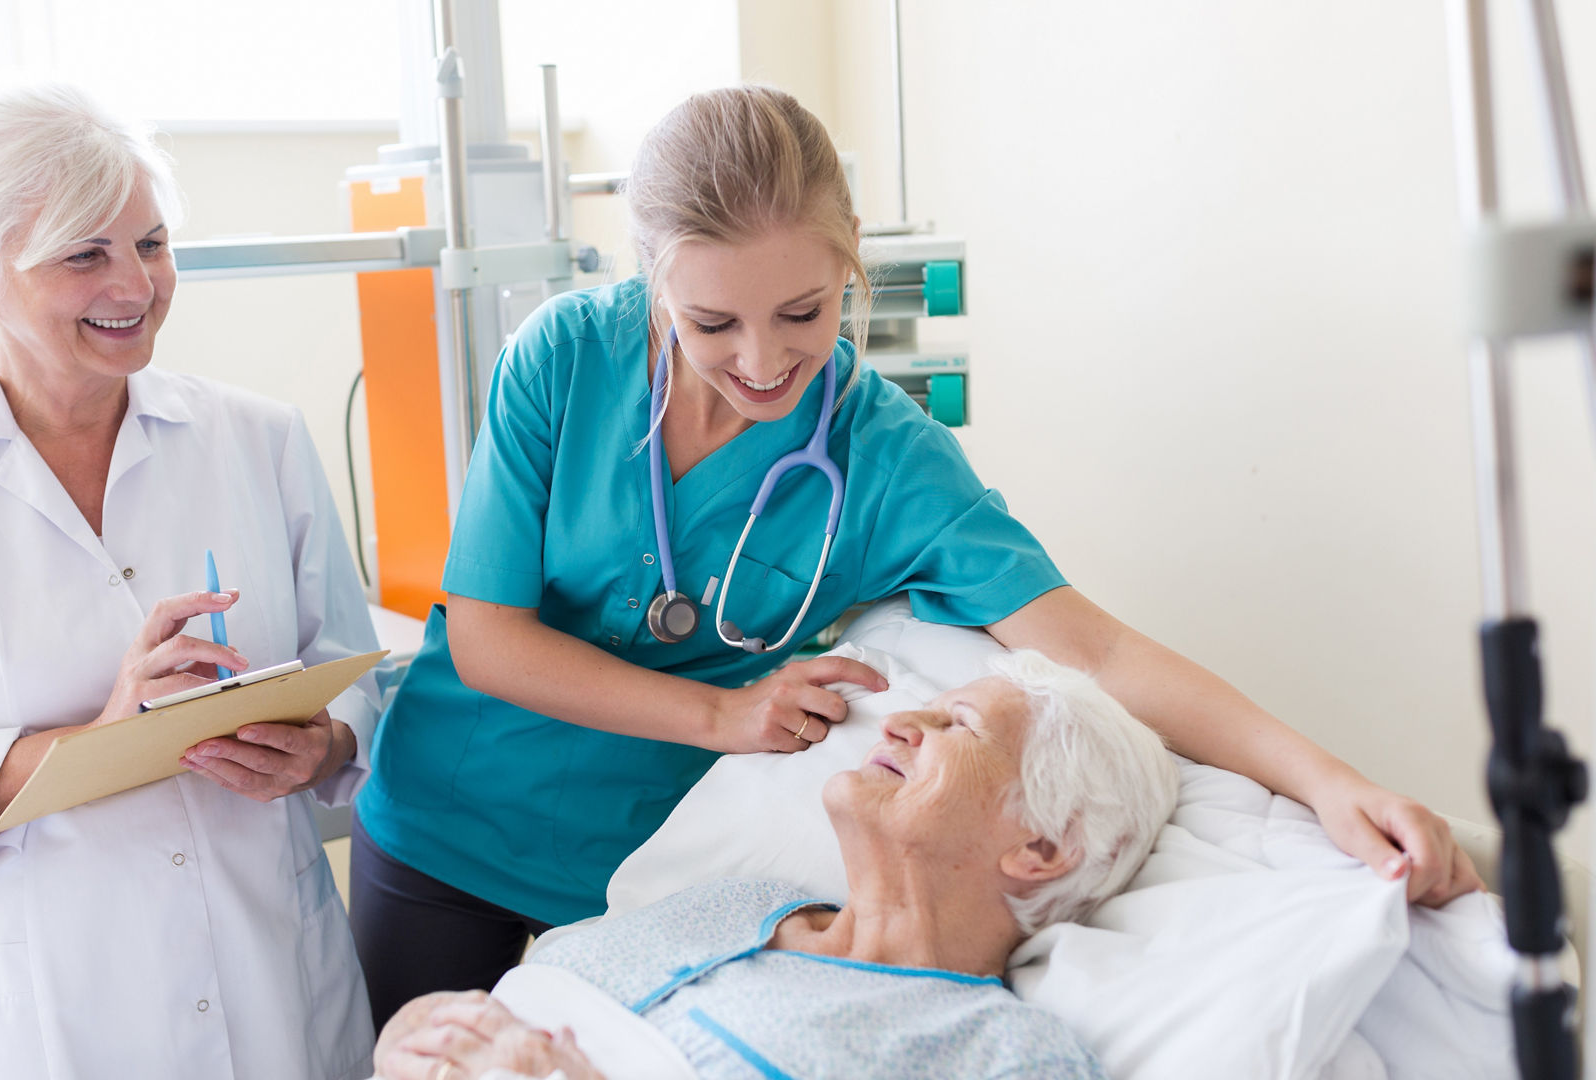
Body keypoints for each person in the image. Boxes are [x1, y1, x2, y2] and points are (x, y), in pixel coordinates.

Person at [348, 85, 1482, 1022]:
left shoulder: (885, 457)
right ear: (652, 282)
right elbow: (491, 641)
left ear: (852, 263)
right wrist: (722, 716)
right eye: (711, 325)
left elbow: (1096, 651)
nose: (760, 362)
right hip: (445, 824)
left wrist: (1333, 783)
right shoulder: (563, 358)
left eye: (804, 310)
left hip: (639, 878)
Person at [0, 83, 380, 1080]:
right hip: (40, 1017)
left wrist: (323, 743)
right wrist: (102, 741)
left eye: (150, 243)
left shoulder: (257, 439)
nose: (135, 285)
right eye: (84, 255)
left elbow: (347, 670)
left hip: (272, 980)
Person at [371, 651, 1175, 1080]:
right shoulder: (732, 902)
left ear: (1040, 846)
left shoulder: (1001, 1055)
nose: (900, 724)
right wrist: (416, 1040)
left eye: (956, 725)